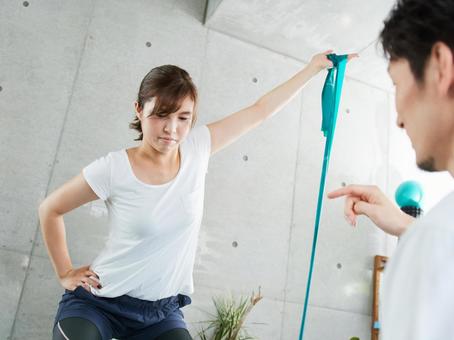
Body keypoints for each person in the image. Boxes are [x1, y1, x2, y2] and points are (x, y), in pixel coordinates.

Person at [39, 50, 356, 340]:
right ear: (139, 109)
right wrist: (65, 272)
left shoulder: (197, 149)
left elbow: (259, 111)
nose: (171, 129)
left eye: (183, 118)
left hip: (159, 316)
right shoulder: (112, 168)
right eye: (160, 115)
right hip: (100, 305)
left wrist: (312, 69)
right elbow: (50, 209)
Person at [327, 0, 454, 339]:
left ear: (442, 67)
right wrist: (406, 226)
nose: (398, 118)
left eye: (397, 85)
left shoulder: (434, 246)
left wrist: (420, 238)